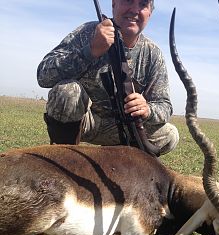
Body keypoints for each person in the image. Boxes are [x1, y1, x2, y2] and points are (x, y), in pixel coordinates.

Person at [37, 0, 179, 155]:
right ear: (113, 4)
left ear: (150, 12)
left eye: (143, 4)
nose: (134, 9)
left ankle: (117, 162)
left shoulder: (153, 53)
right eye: (128, 1)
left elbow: (164, 105)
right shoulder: (88, 32)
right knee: (67, 91)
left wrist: (147, 109)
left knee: (170, 134)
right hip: (85, 122)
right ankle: (63, 157)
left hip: (123, 128)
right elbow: (43, 75)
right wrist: (90, 51)